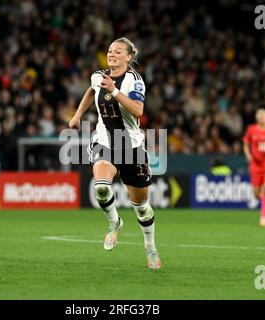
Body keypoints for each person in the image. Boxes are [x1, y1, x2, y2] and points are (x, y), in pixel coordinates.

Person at [69, 37, 160, 269]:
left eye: (118, 51)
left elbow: (138, 110)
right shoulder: (98, 75)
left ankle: (150, 248)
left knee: (141, 207)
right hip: (104, 140)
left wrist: (115, 90)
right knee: (101, 186)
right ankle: (114, 223)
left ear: (129, 57)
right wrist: (78, 115)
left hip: (131, 145)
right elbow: (91, 91)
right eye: (110, 50)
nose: (112, 54)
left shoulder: (135, 80)